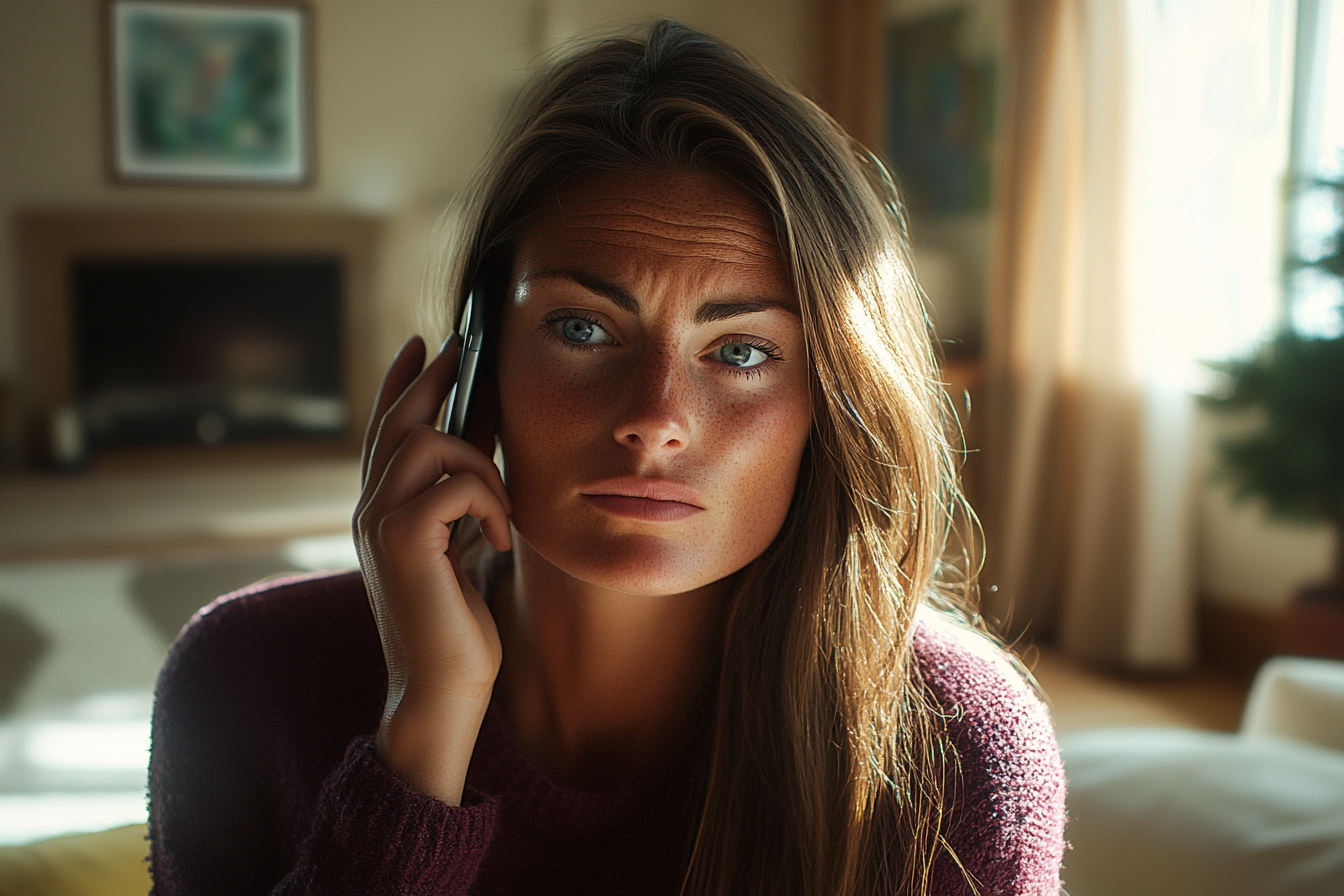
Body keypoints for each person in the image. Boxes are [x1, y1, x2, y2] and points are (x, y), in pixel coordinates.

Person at [149, 21, 1065, 896]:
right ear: (478, 364)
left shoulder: (959, 750)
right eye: (584, 328)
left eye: (741, 351)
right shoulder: (243, 677)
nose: (655, 418)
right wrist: (423, 726)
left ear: (835, 400)